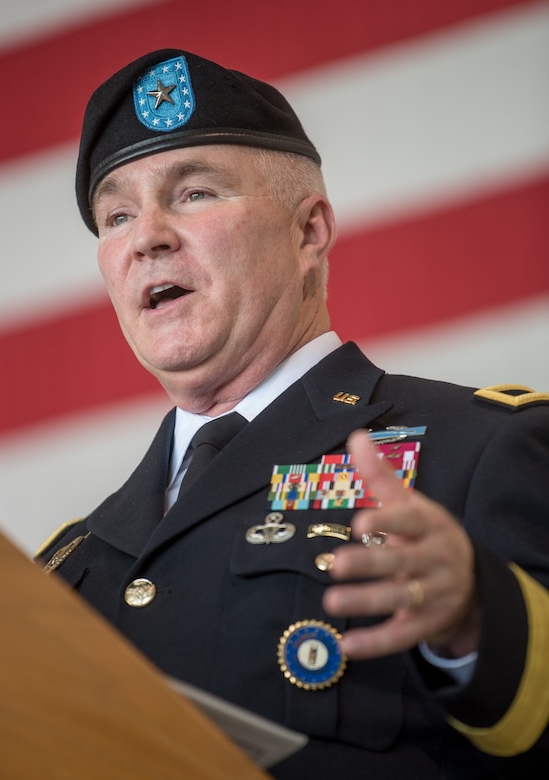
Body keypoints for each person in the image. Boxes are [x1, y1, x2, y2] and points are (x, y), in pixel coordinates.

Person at [36, 48, 549, 778]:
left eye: (195, 194)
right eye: (117, 214)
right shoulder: (65, 567)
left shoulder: (479, 449)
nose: (146, 235)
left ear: (309, 232)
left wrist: (477, 619)